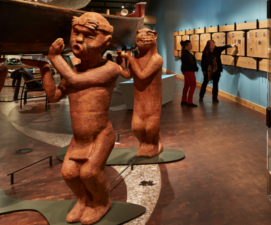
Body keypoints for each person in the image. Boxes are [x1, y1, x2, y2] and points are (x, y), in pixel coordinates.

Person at [21, 13, 130, 225]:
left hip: (100, 135)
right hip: (79, 138)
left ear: (106, 42)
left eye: (88, 36)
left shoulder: (110, 69)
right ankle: (84, 200)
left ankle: (101, 202)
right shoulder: (74, 70)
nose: (78, 40)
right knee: (69, 173)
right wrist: (45, 69)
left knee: (90, 173)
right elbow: (53, 97)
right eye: (76, 34)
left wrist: (54, 58)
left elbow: (75, 81)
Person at [119, 28, 164, 157]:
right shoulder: (137, 58)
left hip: (152, 101)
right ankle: (144, 145)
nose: (141, 37)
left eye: (147, 35)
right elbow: (128, 75)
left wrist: (130, 58)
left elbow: (142, 75)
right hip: (139, 101)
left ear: (154, 37)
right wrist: (117, 65)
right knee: (137, 128)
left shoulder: (157, 59)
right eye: (139, 36)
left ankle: (155, 145)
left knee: (150, 128)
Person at [180, 40, 199, 107]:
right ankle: (189, 102)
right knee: (193, 85)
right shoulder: (187, 54)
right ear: (186, 46)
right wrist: (196, 68)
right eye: (190, 45)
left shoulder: (184, 53)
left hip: (185, 70)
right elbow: (191, 63)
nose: (191, 46)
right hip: (189, 71)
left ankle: (184, 100)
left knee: (187, 85)